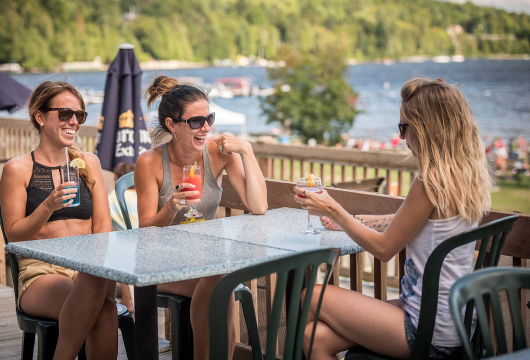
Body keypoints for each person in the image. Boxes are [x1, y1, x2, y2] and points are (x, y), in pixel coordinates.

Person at [295, 78, 492, 359]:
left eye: (404, 127)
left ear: (426, 129)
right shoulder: (464, 178)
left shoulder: (429, 182)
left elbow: (385, 249)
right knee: (315, 338)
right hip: (455, 324)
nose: (401, 137)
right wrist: (349, 219)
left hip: (428, 331)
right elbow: (407, 222)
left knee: (311, 296)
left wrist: (333, 209)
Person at [134, 75, 268, 359]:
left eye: (209, 118)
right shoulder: (150, 163)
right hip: (161, 261)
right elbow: (144, 231)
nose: (205, 127)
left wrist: (247, 150)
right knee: (222, 283)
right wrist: (171, 206)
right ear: (172, 125)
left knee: (220, 280)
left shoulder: (218, 153)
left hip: (205, 257)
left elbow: (258, 206)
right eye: (196, 121)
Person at [0, 81, 117, 360]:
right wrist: (48, 206)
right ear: (40, 117)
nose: (74, 121)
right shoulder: (18, 169)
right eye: (65, 114)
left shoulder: (88, 162)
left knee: (99, 287)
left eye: (79, 115)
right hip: (41, 272)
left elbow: (103, 228)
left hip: (87, 267)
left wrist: (93, 262)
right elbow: (14, 236)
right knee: (105, 309)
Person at [108, 162, 138, 312]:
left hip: (125, 243)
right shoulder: (142, 195)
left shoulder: (114, 196)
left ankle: (128, 299)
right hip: (145, 241)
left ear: (117, 179)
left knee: (117, 255)